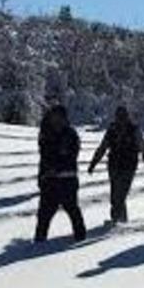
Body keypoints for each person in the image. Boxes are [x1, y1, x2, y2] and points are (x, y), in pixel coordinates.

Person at [87, 104, 144, 225]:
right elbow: (102, 148)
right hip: (114, 165)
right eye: (119, 116)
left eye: (123, 116)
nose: (121, 119)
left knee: (121, 194)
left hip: (129, 166)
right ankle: (120, 219)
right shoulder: (112, 130)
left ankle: (117, 219)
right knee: (115, 194)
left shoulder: (134, 130)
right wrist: (93, 163)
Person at [34, 104, 86, 243]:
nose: (56, 119)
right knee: (44, 213)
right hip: (49, 180)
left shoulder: (70, 134)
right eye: (53, 116)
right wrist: (41, 176)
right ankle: (39, 242)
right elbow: (43, 157)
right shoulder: (46, 133)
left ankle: (81, 239)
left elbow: (71, 156)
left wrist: (57, 164)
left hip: (67, 179)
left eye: (58, 116)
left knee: (72, 210)